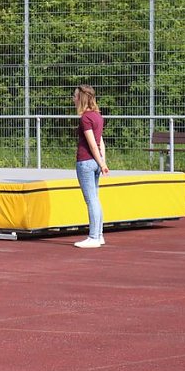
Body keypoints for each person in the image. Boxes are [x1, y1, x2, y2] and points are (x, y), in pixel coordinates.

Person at [72, 84, 109, 248]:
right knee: (95, 198)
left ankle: (94, 237)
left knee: (91, 200)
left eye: (74, 96)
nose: (73, 99)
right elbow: (101, 141)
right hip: (95, 161)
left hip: (86, 161)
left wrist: (102, 163)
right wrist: (102, 162)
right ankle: (99, 235)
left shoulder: (85, 118)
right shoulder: (97, 116)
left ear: (81, 98)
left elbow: (92, 143)